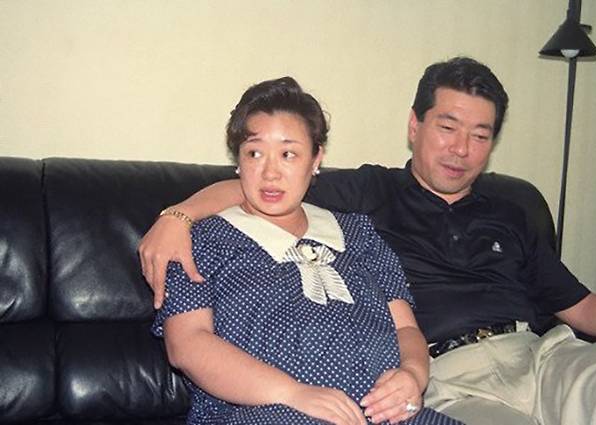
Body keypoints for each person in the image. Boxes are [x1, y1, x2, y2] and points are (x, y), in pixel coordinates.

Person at [142, 58, 596, 425]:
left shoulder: (507, 212)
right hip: (451, 374)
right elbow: (264, 189)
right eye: (448, 126)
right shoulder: (367, 193)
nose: (461, 149)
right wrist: (178, 216)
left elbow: (582, 305)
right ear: (415, 126)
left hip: (538, 354)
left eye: (480, 135)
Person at [151, 76, 461, 425]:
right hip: (263, 413)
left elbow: (405, 329)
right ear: (238, 161)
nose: (270, 173)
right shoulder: (204, 239)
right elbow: (187, 345)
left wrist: (412, 376)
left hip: (384, 413)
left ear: (316, 159)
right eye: (254, 153)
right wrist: (294, 394)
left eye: (288, 154)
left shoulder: (359, 234)